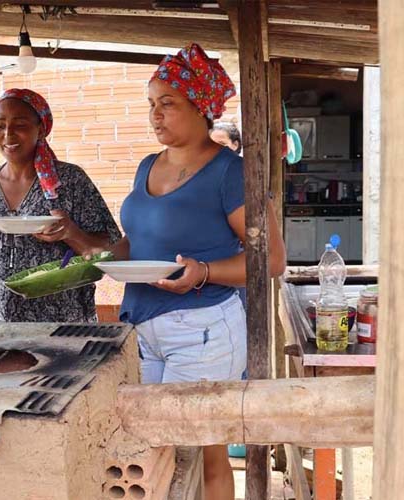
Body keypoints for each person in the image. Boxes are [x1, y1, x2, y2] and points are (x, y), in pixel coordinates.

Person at [100, 44, 286, 500]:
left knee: (205, 449)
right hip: (141, 325)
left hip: (203, 328)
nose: (155, 115)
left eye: (168, 104)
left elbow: (273, 260)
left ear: (201, 108)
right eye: (151, 104)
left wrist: (203, 271)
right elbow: (136, 243)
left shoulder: (230, 172)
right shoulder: (148, 165)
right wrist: (90, 252)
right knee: (151, 447)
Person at [0, 88, 121, 322]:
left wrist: (71, 233)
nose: (8, 134)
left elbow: (111, 247)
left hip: (63, 325)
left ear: (41, 128)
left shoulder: (70, 181)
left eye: (20, 125)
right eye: (0, 126)